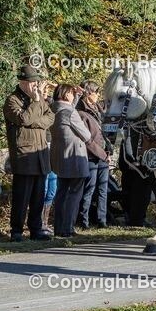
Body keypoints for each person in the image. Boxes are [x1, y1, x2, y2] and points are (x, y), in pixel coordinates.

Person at [3, 65, 55, 241]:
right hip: (24, 155)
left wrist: (35, 118)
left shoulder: (38, 98)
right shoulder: (12, 100)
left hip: (40, 155)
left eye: (37, 82)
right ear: (22, 82)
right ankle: (16, 231)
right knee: (21, 197)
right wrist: (34, 102)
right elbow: (23, 119)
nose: (35, 86)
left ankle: (36, 229)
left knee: (38, 197)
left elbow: (50, 118)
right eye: (32, 82)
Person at [50, 84, 92, 238]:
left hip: (59, 157)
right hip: (74, 157)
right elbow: (86, 135)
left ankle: (59, 227)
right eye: (72, 94)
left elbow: (67, 110)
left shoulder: (53, 109)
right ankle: (68, 228)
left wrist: (79, 96)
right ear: (67, 94)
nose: (74, 95)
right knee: (74, 193)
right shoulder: (71, 113)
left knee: (61, 193)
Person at [76, 80, 110, 229]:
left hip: (104, 154)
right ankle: (84, 220)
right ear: (88, 93)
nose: (98, 95)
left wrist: (107, 151)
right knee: (89, 189)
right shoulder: (81, 113)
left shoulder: (98, 110)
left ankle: (102, 219)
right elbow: (87, 139)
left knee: (103, 188)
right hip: (91, 156)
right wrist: (102, 154)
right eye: (96, 92)